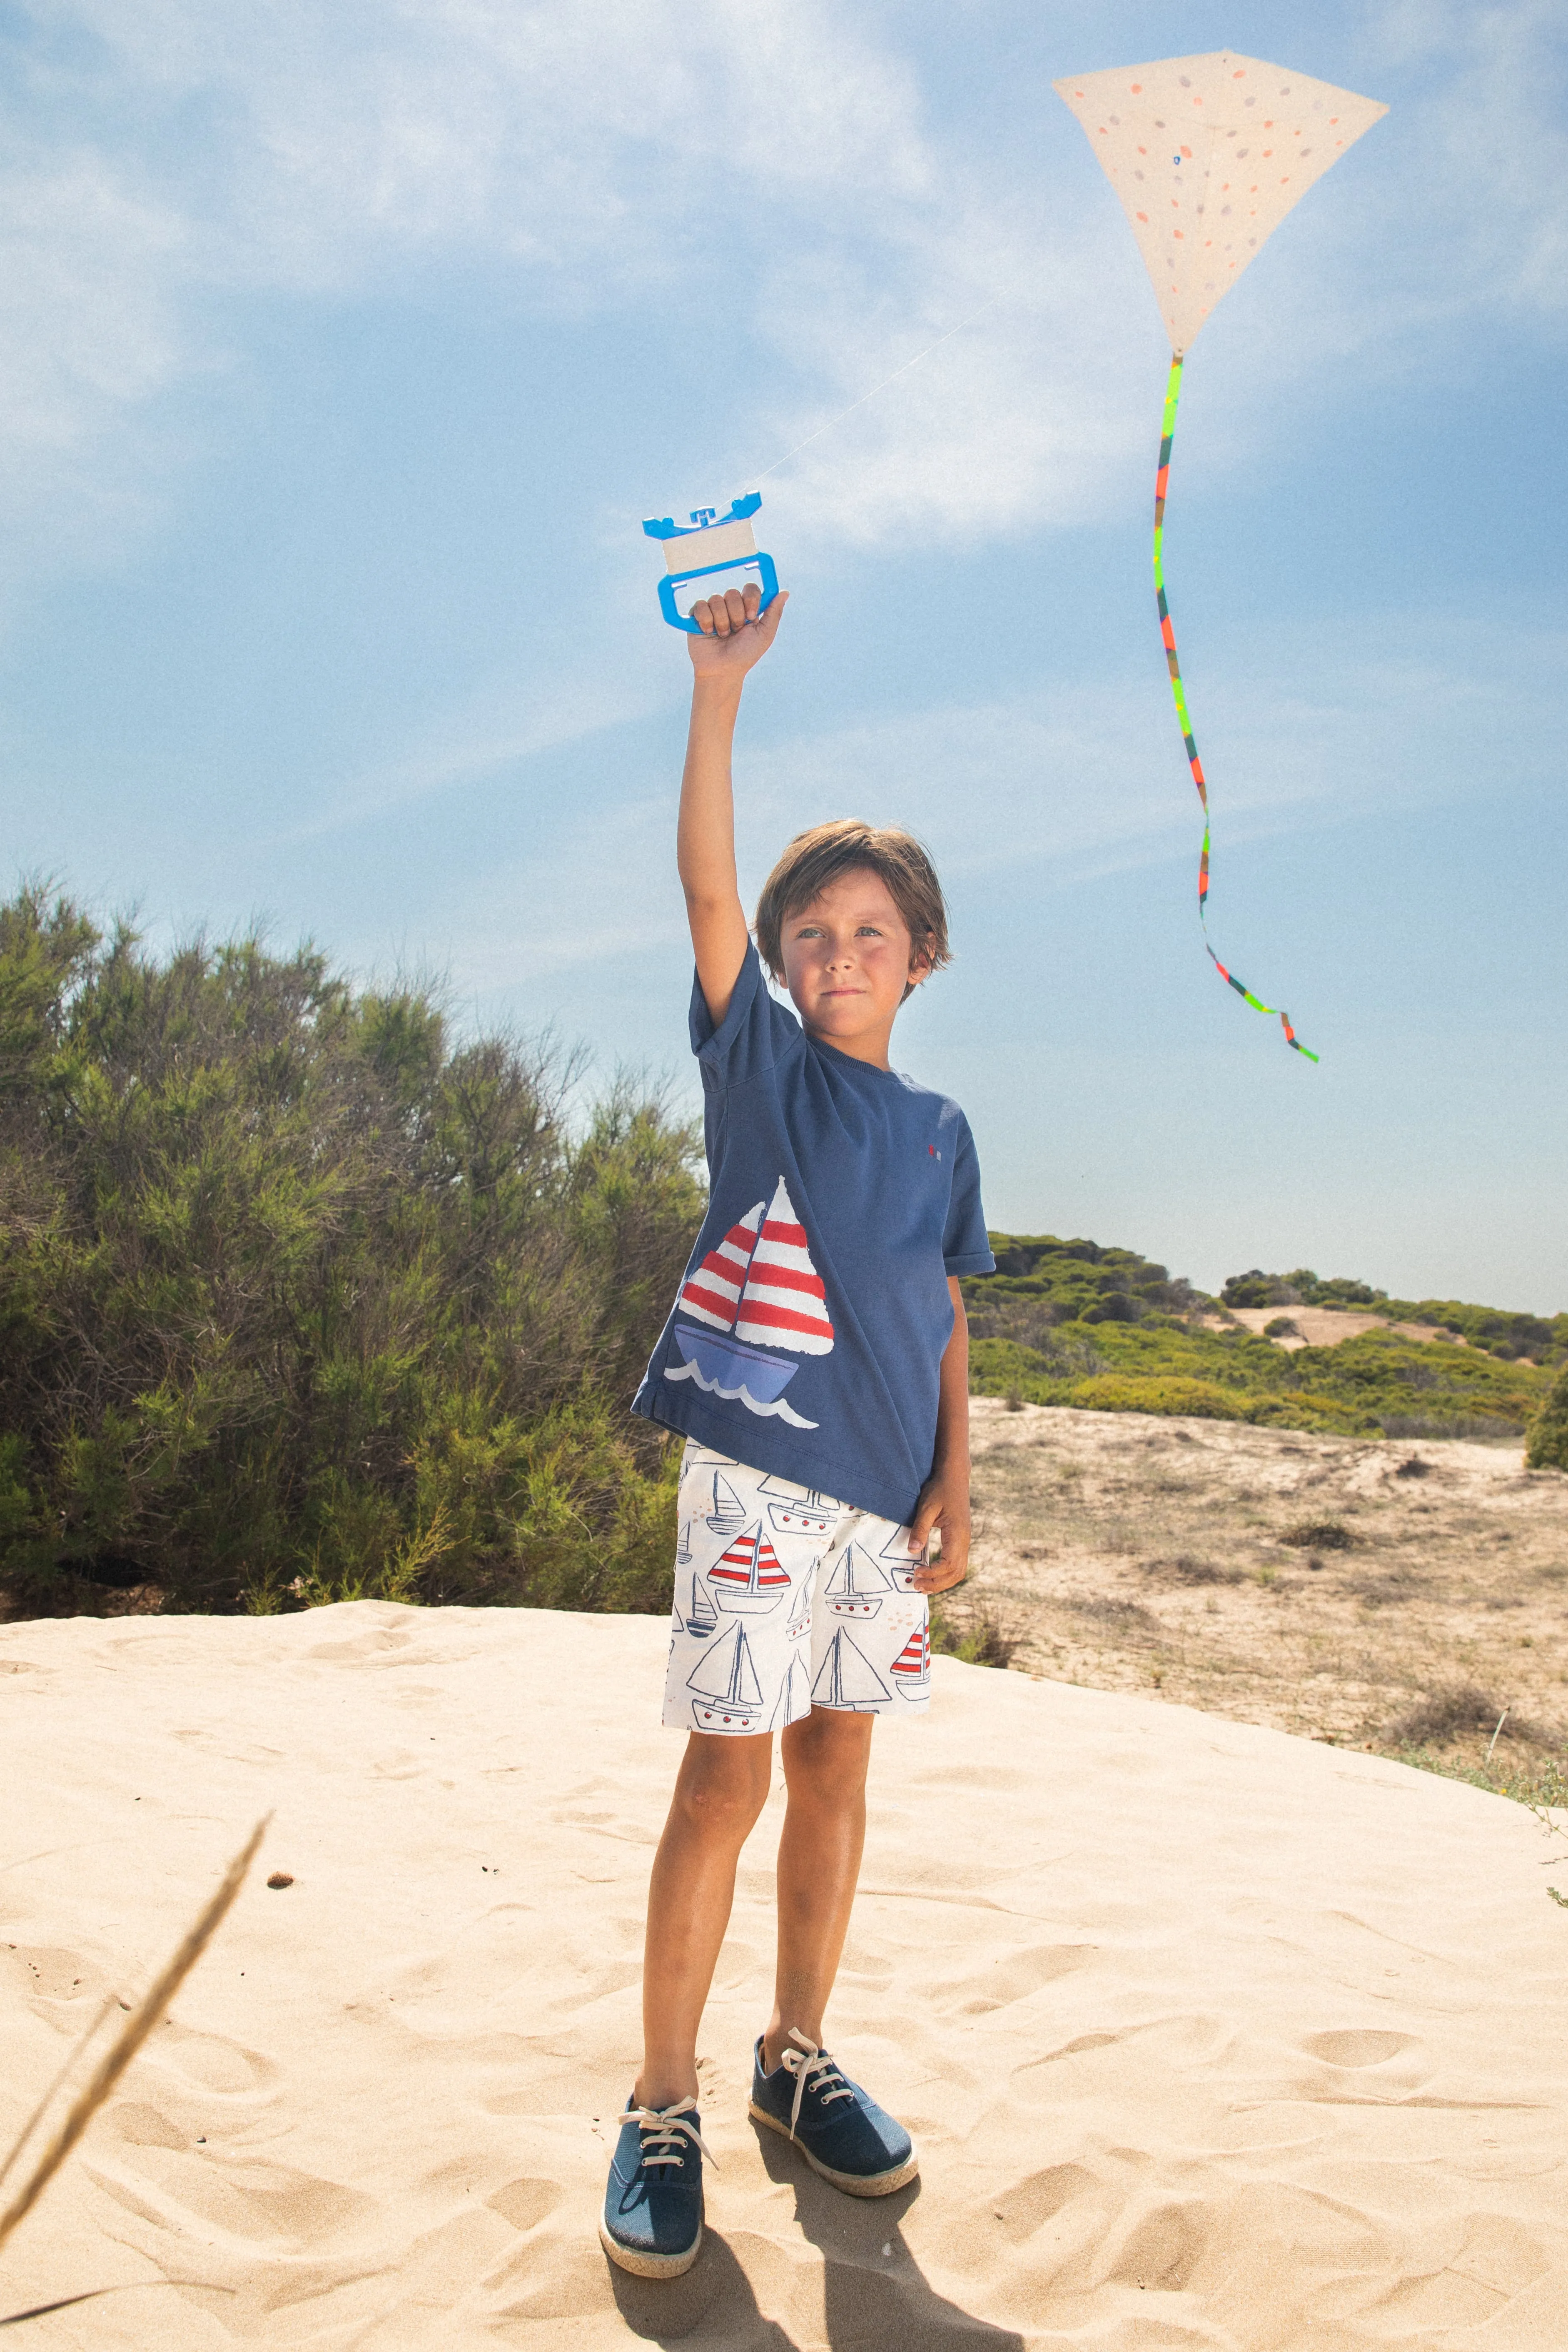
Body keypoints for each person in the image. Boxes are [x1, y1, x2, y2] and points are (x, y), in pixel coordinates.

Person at [600, 578, 994, 2279]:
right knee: (725, 1776)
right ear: (778, 964)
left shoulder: (939, 1125)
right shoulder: (760, 1069)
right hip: (759, 1480)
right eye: (811, 933)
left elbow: (943, 1305)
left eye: (870, 932)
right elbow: (701, 878)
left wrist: (956, 1472)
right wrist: (716, 694)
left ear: (922, 954)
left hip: (885, 1508)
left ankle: (792, 2056)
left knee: (839, 1765)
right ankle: (663, 2098)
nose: (840, 954)